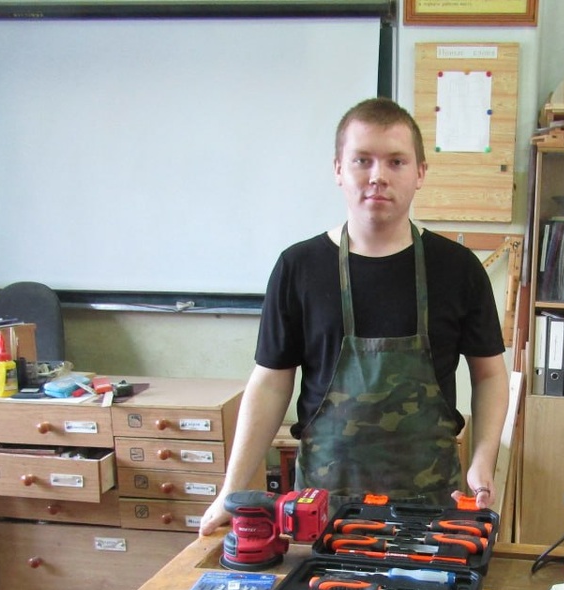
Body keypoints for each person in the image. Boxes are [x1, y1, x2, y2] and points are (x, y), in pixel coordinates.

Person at [198, 97, 510, 537]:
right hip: (322, 510)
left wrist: (483, 460)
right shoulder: (299, 267)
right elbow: (270, 383)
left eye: (396, 161)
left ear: (420, 173)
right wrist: (231, 492)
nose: (378, 175)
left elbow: (490, 375)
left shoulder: (458, 269)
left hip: (429, 511)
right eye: (362, 160)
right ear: (338, 169)